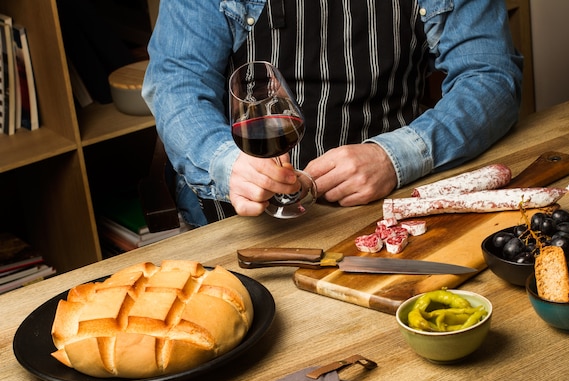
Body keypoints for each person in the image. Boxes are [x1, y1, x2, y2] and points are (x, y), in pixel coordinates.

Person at [142, 0, 523, 225]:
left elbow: (489, 75)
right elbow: (177, 83)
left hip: (391, 199)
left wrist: (395, 157)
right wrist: (227, 165)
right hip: (246, 211)